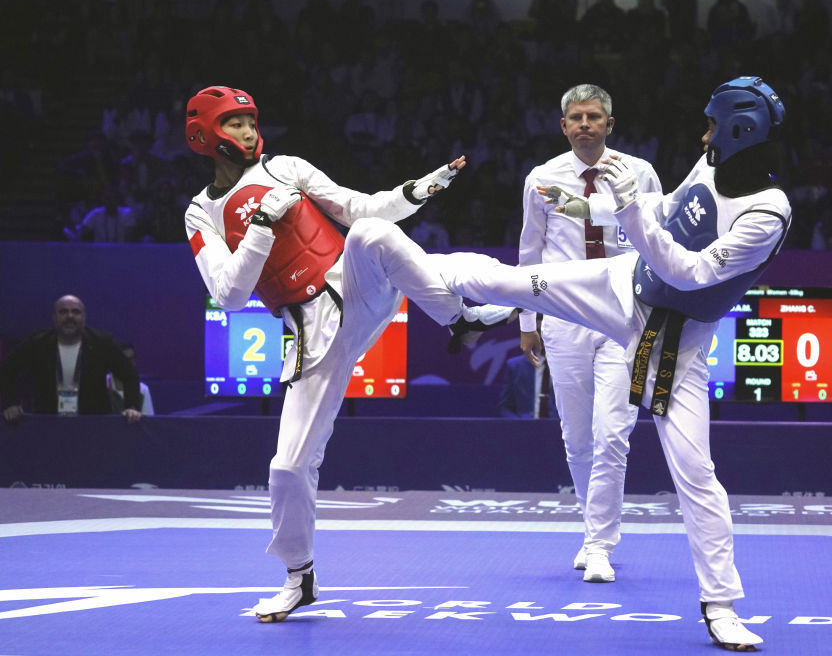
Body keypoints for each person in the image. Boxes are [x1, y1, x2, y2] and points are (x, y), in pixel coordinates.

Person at [436, 76, 790, 651]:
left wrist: (626, 207)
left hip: (675, 340)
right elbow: (666, 211)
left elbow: (688, 273)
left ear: (739, 131)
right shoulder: (708, 165)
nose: (703, 136)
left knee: (695, 473)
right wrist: (592, 206)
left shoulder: (766, 214)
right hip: (621, 283)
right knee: (510, 283)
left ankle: (721, 605)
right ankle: (404, 264)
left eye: (712, 126)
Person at [181, 86, 512, 623]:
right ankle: (299, 578)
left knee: (374, 232)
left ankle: (461, 320)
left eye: (250, 121)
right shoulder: (201, 213)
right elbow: (230, 294)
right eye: (234, 124)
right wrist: (261, 227)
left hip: (359, 287)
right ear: (205, 136)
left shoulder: (286, 167)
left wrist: (420, 188)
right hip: (312, 337)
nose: (247, 132)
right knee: (288, 467)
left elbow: (359, 208)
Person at [519, 84, 662, 583]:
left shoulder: (639, 173)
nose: (585, 124)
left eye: (594, 117)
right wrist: (528, 321)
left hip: (625, 316)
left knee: (613, 433)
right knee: (577, 438)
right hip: (564, 318)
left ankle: (601, 545)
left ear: (609, 124)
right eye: (576, 117)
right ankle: (591, 531)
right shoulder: (541, 179)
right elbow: (530, 252)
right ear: (564, 127)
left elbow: (658, 240)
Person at [0, 295, 143, 424]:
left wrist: (132, 407)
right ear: (54, 317)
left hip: (94, 424)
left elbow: (130, 375)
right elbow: (6, 371)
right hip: (47, 423)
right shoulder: (37, 343)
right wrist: (10, 403)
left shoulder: (102, 342)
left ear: (84, 317)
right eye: (63, 312)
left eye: (76, 312)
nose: (70, 316)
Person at [107, 342, 154, 415]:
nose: (130, 364)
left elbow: (149, 420)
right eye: (125, 360)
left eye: (132, 359)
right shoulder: (101, 385)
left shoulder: (143, 390)